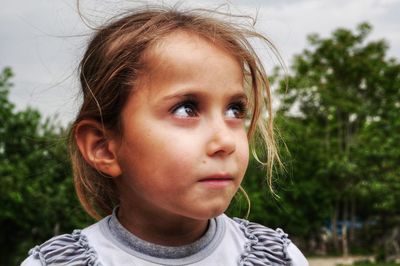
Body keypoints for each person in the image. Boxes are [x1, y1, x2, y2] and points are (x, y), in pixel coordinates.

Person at [22, 5, 308, 266]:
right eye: (186, 109)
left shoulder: (279, 259)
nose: (225, 142)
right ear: (104, 147)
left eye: (234, 111)